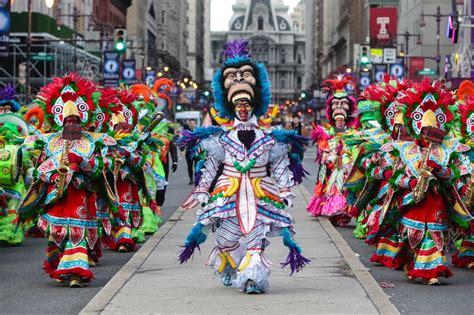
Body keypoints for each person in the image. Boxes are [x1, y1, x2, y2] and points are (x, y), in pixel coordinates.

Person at [177, 39, 309, 294]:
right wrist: (203, 188)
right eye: (238, 105)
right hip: (229, 193)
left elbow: (280, 165)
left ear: (255, 105)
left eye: (247, 104)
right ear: (231, 107)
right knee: (226, 240)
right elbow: (211, 165)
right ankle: (228, 263)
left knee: (254, 242)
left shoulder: (271, 137)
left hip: (260, 195)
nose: (243, 108)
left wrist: (285, 190)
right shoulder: (220, 138)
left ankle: (253, 279)